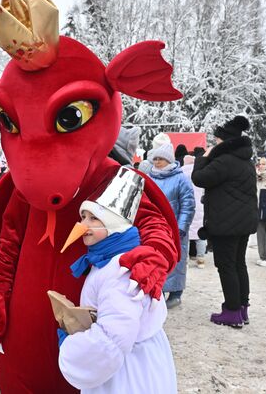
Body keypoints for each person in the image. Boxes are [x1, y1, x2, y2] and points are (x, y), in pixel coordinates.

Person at [57, 168, 177, 393]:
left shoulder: (121, 271)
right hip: (128, 361)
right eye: (83, 216)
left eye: (94, 218)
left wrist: (71, 347)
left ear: (113, 225)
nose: (84, 224)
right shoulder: (108, 261)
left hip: (127, 374)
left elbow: (112, 339)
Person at [192, 115, 258, 327]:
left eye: (217, 141)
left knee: (226, 265)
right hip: (242, 222)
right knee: (239, 264)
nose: (215, 144)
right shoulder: (244, 160)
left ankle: (231, 311)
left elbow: (199, 178)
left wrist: (202, 157)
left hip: (225, 222)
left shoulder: (225, 160)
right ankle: (242, 309)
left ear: (225, 142)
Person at [148, 143, 195, 309]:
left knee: (177, 261)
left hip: (175, 230)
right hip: (154, 228)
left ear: (169, 160)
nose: (157, 162)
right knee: (155, 260)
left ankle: (176, 293)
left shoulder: (181, 179)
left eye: (161, 158)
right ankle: (157, 290)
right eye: (155, 158)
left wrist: (181, 227)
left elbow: (188, 205)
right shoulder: (150, 178)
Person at [181, 154, 206, 268]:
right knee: (199, 233)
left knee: (185, 234)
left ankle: (184, 259)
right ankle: (201, 258)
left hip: (186, 205)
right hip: (200, 206)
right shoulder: (200, 173)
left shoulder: (181, 173)